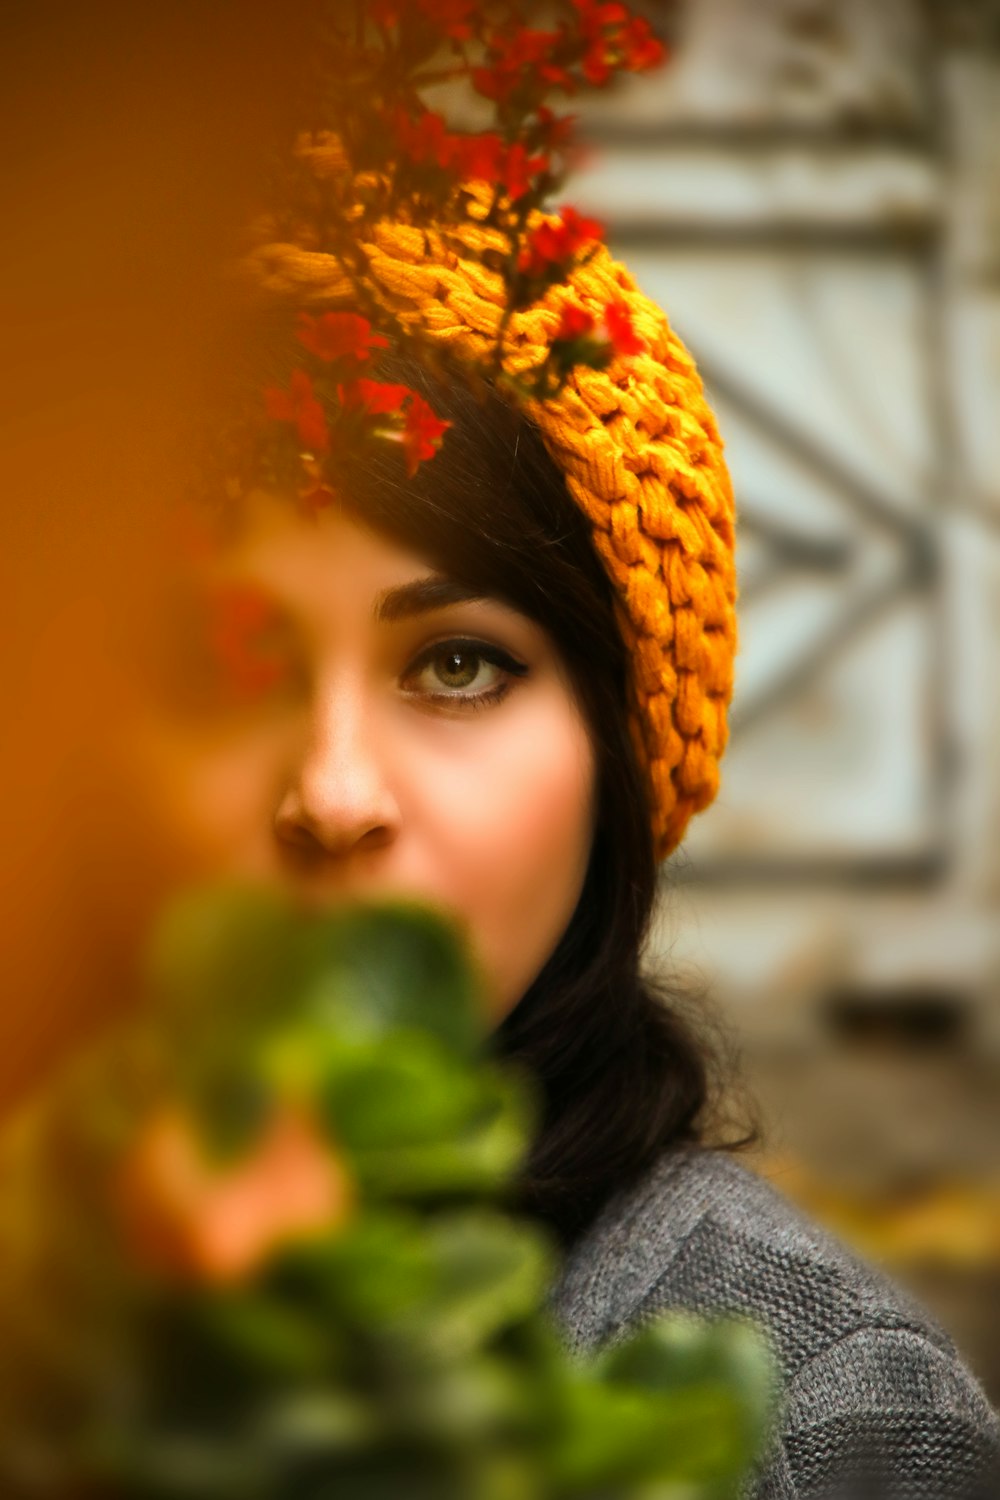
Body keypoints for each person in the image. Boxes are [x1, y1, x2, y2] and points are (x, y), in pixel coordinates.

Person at [124, 170, 1000, 1500]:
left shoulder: (820, 1415)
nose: (335, 794)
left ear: (620, 755)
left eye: (460, 666)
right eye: (232, 660)